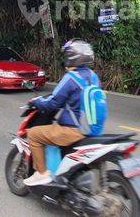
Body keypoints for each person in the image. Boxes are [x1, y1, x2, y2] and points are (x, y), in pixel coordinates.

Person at [24, 39, 100, 187]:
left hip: (72, 130)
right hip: (91, 128)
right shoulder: (93, 77)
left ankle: (41, 174)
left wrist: (36, 102)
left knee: (33, 134)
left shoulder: (71, 78)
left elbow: (53, 102)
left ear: (72, 58)